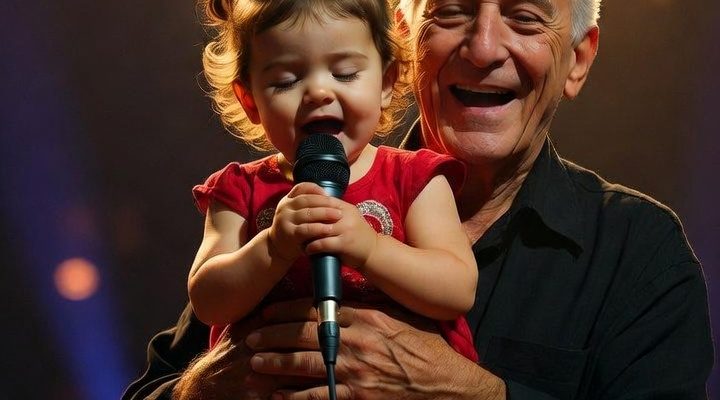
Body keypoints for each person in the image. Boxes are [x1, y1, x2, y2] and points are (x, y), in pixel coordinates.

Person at [123, 0, 714, 399]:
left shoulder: (640, 250)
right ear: (406, 46)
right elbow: (167, 373)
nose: (483, 49)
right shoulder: (268, 201)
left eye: (525, 17)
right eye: (451, 11)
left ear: (578, 60)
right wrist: (210, 388)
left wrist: (477, 395)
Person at [185, 0, 478, 361]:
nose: (319, 93)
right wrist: (273, 247)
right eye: (286, 81)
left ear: (386, 82)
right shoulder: (239, 191)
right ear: (250, 100)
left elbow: (457, 289)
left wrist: (370, 249)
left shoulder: (416, 179)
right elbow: (208, 302)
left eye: (345, 74)